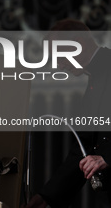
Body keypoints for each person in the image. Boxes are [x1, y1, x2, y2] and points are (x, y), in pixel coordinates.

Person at [22, 19, 111, 208]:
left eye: (59, 56)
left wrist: (106, 158)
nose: (59, 65)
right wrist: (47, 197)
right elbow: (83, 147)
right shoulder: (95, 78)